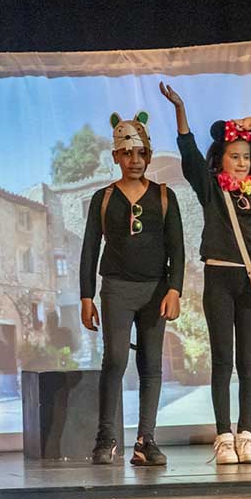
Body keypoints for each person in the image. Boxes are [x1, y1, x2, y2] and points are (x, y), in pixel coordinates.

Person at [163, 82, 251, 464]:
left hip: (250, 281)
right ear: (220, 159)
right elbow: (189, 153)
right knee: (223, 359)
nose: (240, 162)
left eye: (245, 156)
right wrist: (180, 110)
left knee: (249, 361)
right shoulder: (211, 189)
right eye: (233, 156)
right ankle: (224, 437)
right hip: (219, 279)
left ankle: (246, 435)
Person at [80, 111, 185, 466]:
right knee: (115, 360)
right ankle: (106, 438)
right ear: (116, 157)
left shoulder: (165, 197)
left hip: (155, 291)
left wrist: (175, 289)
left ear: (149, 156)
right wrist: (86, 296)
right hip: (116, 289)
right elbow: (89, 248)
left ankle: (145, 440)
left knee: (151, 364)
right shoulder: (103, 197)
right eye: (127, 154)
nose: (135, 160)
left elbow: (177, 248)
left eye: (141, 154)